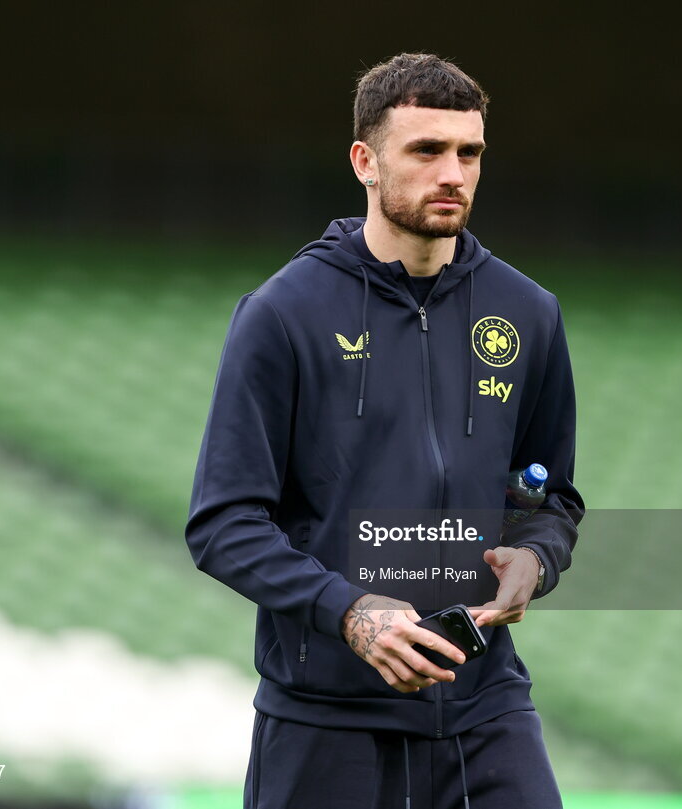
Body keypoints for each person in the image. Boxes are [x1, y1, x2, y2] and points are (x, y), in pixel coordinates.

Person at [186, 53, 584, 809]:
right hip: (324, 722)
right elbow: (223, 524)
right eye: (427, 151)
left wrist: (537, 553)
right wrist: (351, 613)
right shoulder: (283, 313)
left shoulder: (529, 312)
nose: (454, 173)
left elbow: (547, 493)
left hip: (484, 710)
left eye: (469, 153)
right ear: (365, 161)